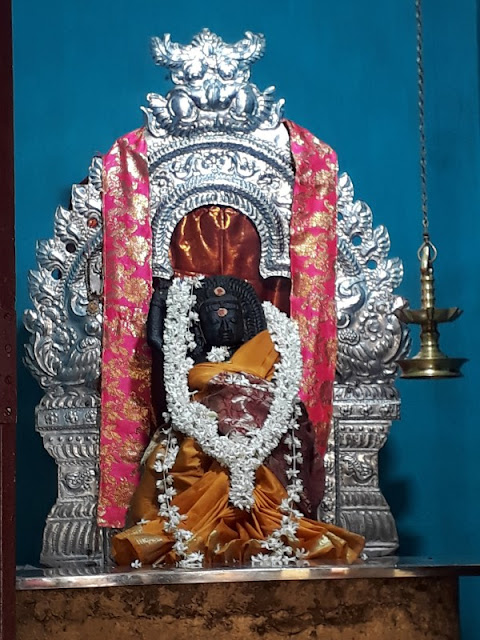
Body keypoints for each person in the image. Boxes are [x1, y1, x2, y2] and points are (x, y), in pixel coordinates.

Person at [112, 276, 364, 566]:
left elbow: (276, 393)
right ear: (200, 325)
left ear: (246, 318)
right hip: (202, 428)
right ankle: (197, 531)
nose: (224, 323)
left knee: (288, 432)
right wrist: (160, 302)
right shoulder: (196, 354)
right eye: (214, 317)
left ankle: (264, 527)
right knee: (183, 450)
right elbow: (158, 344)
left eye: (231, 315)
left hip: (260, 433)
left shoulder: (264, 348)